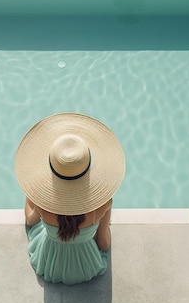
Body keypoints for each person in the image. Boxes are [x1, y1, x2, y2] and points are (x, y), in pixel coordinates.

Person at [14, 112, 125, 285]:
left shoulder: (45, 206)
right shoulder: (102, 206)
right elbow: (103, 243)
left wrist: (31, 194)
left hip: (50, 263)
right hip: (87, 267)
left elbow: (30, 220)